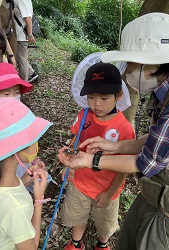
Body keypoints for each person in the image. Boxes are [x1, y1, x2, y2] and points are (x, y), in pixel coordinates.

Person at [58, 13, 169, 250]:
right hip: (157, 194)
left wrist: (92, 160)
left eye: (131, 63)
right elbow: (159, 139)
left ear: (152, 61)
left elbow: (145, 162)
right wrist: (114, 146)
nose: (128, 70)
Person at [61, 62, 135, 250]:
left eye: (104, 97)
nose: (96, 103)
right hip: (80, 181)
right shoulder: (84, 115)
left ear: (118, 95)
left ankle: (103, 244)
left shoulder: (124, 129)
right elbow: (76, 141)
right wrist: (68, 165)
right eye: (91, 97)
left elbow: (124, 166)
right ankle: (76, 241)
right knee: (78, 214)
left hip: (107, 186)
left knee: (105, 222)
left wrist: (110, 192)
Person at [0, 98, 52, 249]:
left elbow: (6, 195)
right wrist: (38, 200)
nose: (37, 141)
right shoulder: (16, 208)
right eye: (33, 138)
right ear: (16, 150)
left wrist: (27, 179)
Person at [13, 0, 39, 82]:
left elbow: (28, 18)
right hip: (16, 34)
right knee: (20, 57)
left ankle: (23, 82)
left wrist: (30, 34)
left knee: (22, 59)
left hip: (20, 35)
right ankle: (31, 73)